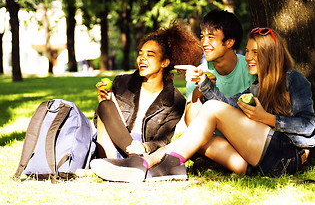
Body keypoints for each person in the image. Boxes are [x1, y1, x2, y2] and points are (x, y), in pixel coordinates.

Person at [89, 28, 314, 182]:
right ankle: (145, 166)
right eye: (248, 51)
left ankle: (156, 165)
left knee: (210, 111)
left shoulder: (292, 79)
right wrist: (203, 82)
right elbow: (228, 107)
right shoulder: (256, 88)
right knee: (199, 138)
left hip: (285, 158)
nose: (249, 56)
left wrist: (266, 118)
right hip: (255, 164)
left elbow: (310, 126)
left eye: (256, 52)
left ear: (271, 55)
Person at [94, 22, 203, 160]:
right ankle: (129, 162)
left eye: (150, 54)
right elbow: (102, 125)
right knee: (105, 106)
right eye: (140, 54)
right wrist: (109, 101)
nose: (142, 58)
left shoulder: (175, 100)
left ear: (164, 62)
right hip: (112, 146)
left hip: (143, 149)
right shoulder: (121, 83)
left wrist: (144, 147)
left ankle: (132, 162)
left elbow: (163, 141)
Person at [185, 10, 256, 131]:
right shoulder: (198, 74)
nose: (204, 43)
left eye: (211, 37)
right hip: (212, 140)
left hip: (246, 136)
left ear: (229, 42)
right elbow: (191, 126)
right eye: (202, 37)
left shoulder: (251, 68)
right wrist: (198, 93)